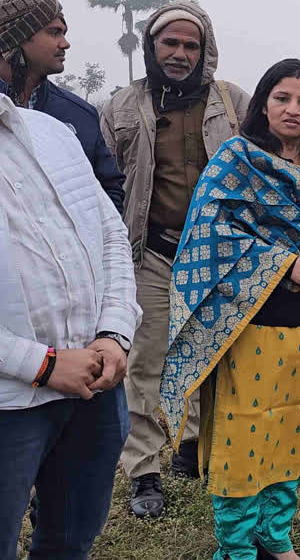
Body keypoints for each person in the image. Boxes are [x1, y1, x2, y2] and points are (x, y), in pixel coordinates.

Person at [159, 59, 300, 560]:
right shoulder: (236, 160)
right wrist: (287, 265)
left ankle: (275, 534)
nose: (293, 110)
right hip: (249, 324)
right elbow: (209, 236)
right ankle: (237, 546)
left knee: (295, 427)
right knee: (245, 434)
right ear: (264, 102)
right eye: (282, 98)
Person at [100, 0, 251, 518]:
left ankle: (194, 446)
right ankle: (144, 470)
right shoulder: (121, 107)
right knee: (144, 362)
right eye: (171, 43)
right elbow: (106, 186)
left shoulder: (232, 103)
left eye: (191, 44)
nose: (181, 53)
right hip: (152, 252)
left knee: (213, 354)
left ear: (205, 49)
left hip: (218, 254)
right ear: (152, 46)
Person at [0, 94, 140, 560]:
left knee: (70, 540)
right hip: (10, 401)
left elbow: (111, 237)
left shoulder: (52, 131)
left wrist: (114, 333)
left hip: (94, 386)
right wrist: (43, 364)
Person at [0, 0, 124, 212]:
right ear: (17, 38)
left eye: (64, 33)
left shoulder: (79, 114)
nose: (65, 44)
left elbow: (109, 190)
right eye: (54, 32)